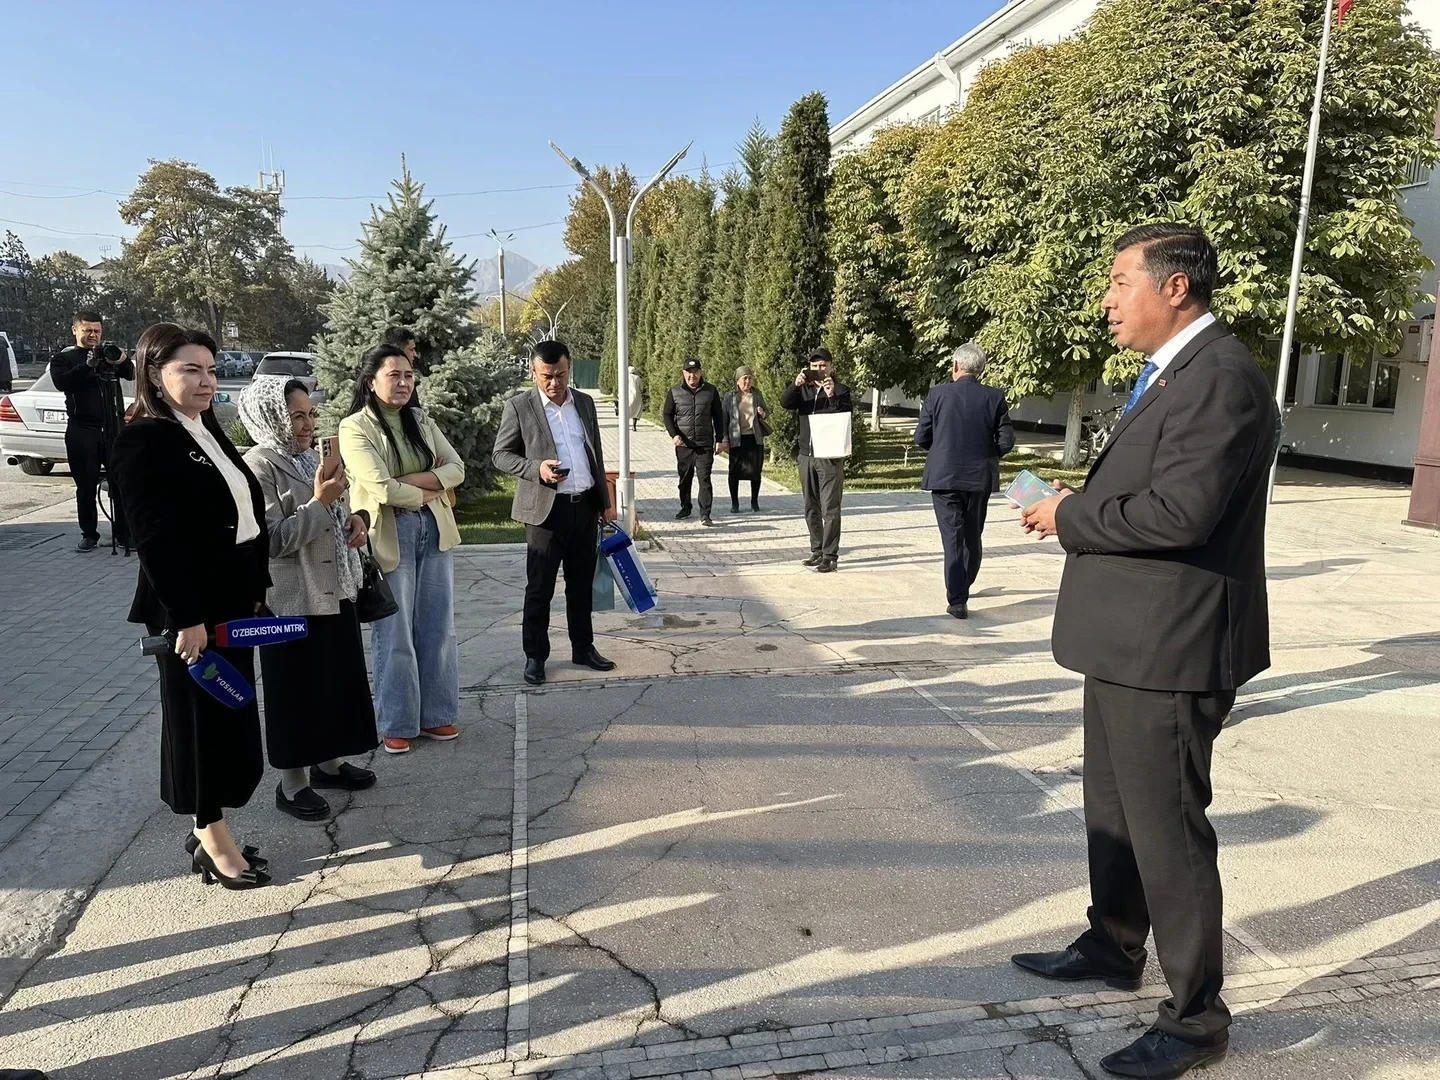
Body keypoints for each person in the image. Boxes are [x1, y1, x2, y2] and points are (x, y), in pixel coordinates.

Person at [1014, 225, 1277, 1080]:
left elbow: (1183, 515)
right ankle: (1114, 942)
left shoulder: (1220, 377)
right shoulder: (1174, 372)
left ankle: (1195, 1019)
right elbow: (1153, 490)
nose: (1108, 301)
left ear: (1175, 287)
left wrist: (1071, 515)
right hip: (1129, 639)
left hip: (1172, 646)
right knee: (1115, 811)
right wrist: (1078, 499)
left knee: (1169, 835)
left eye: (1120, 281)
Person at [109, 323, 271, 889]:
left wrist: (256, 588)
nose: (207, 381)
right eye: (191, 370)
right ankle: (211, 837)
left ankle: (211, 826)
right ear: (155, 375)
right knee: (199, 724)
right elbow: (152, 539)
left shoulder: (203, 428)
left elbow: (243, 514)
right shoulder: (144, 439)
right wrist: (187, 617)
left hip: (233, 599)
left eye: (211, 369)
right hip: (191, 607)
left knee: (229, 717)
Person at [240, 377, 380, 819]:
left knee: (334, 681)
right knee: (295, 691)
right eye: (296, 416)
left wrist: (356, 520)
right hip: (290, 600)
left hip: (334, 588)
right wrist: (320, 503)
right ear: (271, 417)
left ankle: (329, 764)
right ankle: (292, 783)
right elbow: (269, 541)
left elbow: (337, 511)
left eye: (310, 414)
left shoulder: (308, 457)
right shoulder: (257, 467)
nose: (307, 425)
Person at [339, 344, 465, 755]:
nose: (404, 382)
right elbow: (380, 488)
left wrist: (410, 482)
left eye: (409, 375)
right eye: (394, 375)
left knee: (438, 626)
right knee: (395, 632)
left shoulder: (421, 420)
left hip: (435, 529)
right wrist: (429, 486)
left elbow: (457, 468)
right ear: (370, 381)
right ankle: (397, 721)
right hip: (391, 534)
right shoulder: (354, 427)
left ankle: (437, 714)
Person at [492, 340, 616, 686]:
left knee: (581, 586)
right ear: (534, 372)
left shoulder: (585, 403)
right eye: (546, 376)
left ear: (569, 368)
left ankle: (583, 647)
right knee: (540, 589)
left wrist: (604, 502)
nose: (554, 383)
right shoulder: (520, 406)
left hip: (584, 507)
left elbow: (595, 453)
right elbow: (500, 455)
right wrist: (536, 469)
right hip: (545, 514)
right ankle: (535, 656)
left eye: (560, 375)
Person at [914, 342, 1015, 619]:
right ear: (980, 369)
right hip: (979, 477)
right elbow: (1006, 440)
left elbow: (921, 437)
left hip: (944, 477)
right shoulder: (994, 397)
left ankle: (958, 599)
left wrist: (942, 450)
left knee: (952, 537)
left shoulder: (937, 394)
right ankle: (965, 583)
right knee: (972, 534)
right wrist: (986, 455)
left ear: (956, 365)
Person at [49, 310, 133, 552]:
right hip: (82, 429)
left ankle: (124, 534)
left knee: (121, 483)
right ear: (75, 330)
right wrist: (87, 366)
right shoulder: (63, 358)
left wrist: (121, 359)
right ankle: (89, 535)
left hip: (113, 427)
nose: (93, 335)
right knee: (86, 486)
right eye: (87, 330)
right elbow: (61, 382)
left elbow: (130, 374)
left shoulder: (108, 355)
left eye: (97, 331)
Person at [781, 347, 852, 572]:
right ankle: (817, 550)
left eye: (823, 365)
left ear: (831, 366)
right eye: (814, 366)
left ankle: (830, 555)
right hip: (806, 455)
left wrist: (831, 396)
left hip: (829, 457)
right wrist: (795, 385)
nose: (819, 369)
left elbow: (845, 416)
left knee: (830, 508)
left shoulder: (841, 390)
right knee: (810, 506)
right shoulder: (804, 390)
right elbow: (785, 403)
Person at [662, 358, 727, 526]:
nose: (692, 376)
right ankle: (685, 507)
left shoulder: (710, 391)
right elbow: (667, 414)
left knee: (704, 480)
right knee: (685, 479)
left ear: (700, 372)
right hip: (684, 445)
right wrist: (674, 435)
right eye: (689, 373)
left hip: (704, 445)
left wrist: (719, 439)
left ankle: (705, 514)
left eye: (695, 372)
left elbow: (718, 416)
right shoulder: (674, 392)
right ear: (684, 373)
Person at [721, 366, 770, 513]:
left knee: (755, 471)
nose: (747, 381)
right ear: (737, 381)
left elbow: (767, 411)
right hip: (736, 439)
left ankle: (754, 502)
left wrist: (762, 413)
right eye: (744, 379)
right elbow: (724, 419)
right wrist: (724, 438)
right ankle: (734, 503)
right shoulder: (730, 397)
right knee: (734, 471)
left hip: (754, 438)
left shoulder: (757, 394)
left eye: (749, 378)